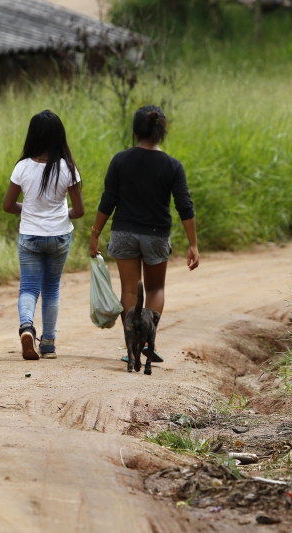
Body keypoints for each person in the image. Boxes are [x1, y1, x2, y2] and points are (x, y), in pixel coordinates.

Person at [88, 105, 199, 363]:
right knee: (155, 288)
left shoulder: (120, 160)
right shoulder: (173, 165)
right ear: (162, 131)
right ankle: (148, 339)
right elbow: (185, 205)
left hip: (124, 232)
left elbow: (108, 200)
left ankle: (132, 344)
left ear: (136, 131)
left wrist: (95, 233)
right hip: (156, 235)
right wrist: (193, 243)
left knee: (129, 289)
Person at [3, 110, 86, 360]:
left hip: (30, 235)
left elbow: (8, 206)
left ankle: (27, 327)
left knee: (28, 288)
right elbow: (79, 211)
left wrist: (28, 210)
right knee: (51, 289)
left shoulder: (22, 167)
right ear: (59, 137)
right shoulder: (68, 168)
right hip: (60, 235)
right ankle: (48, 344)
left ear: (33, 136)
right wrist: (61, 214)